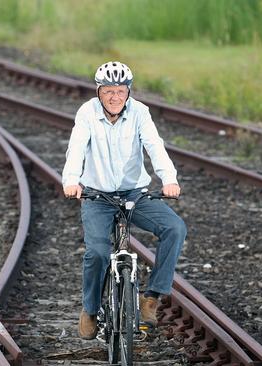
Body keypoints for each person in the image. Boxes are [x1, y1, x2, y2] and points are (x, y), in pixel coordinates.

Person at [62, 61, 187, 340]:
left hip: (135, 194)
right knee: (96, 253)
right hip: (97, 196)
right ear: (98, 92)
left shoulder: (141, 112)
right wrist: (71, 180)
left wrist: (169, 179)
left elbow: (155, 145)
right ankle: (90, 310)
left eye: (120, 90)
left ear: (128, 92)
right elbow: (76, 147)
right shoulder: (87, 113)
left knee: (175, 228)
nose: (114, 97)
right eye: (108, 91)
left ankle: (151, 298)